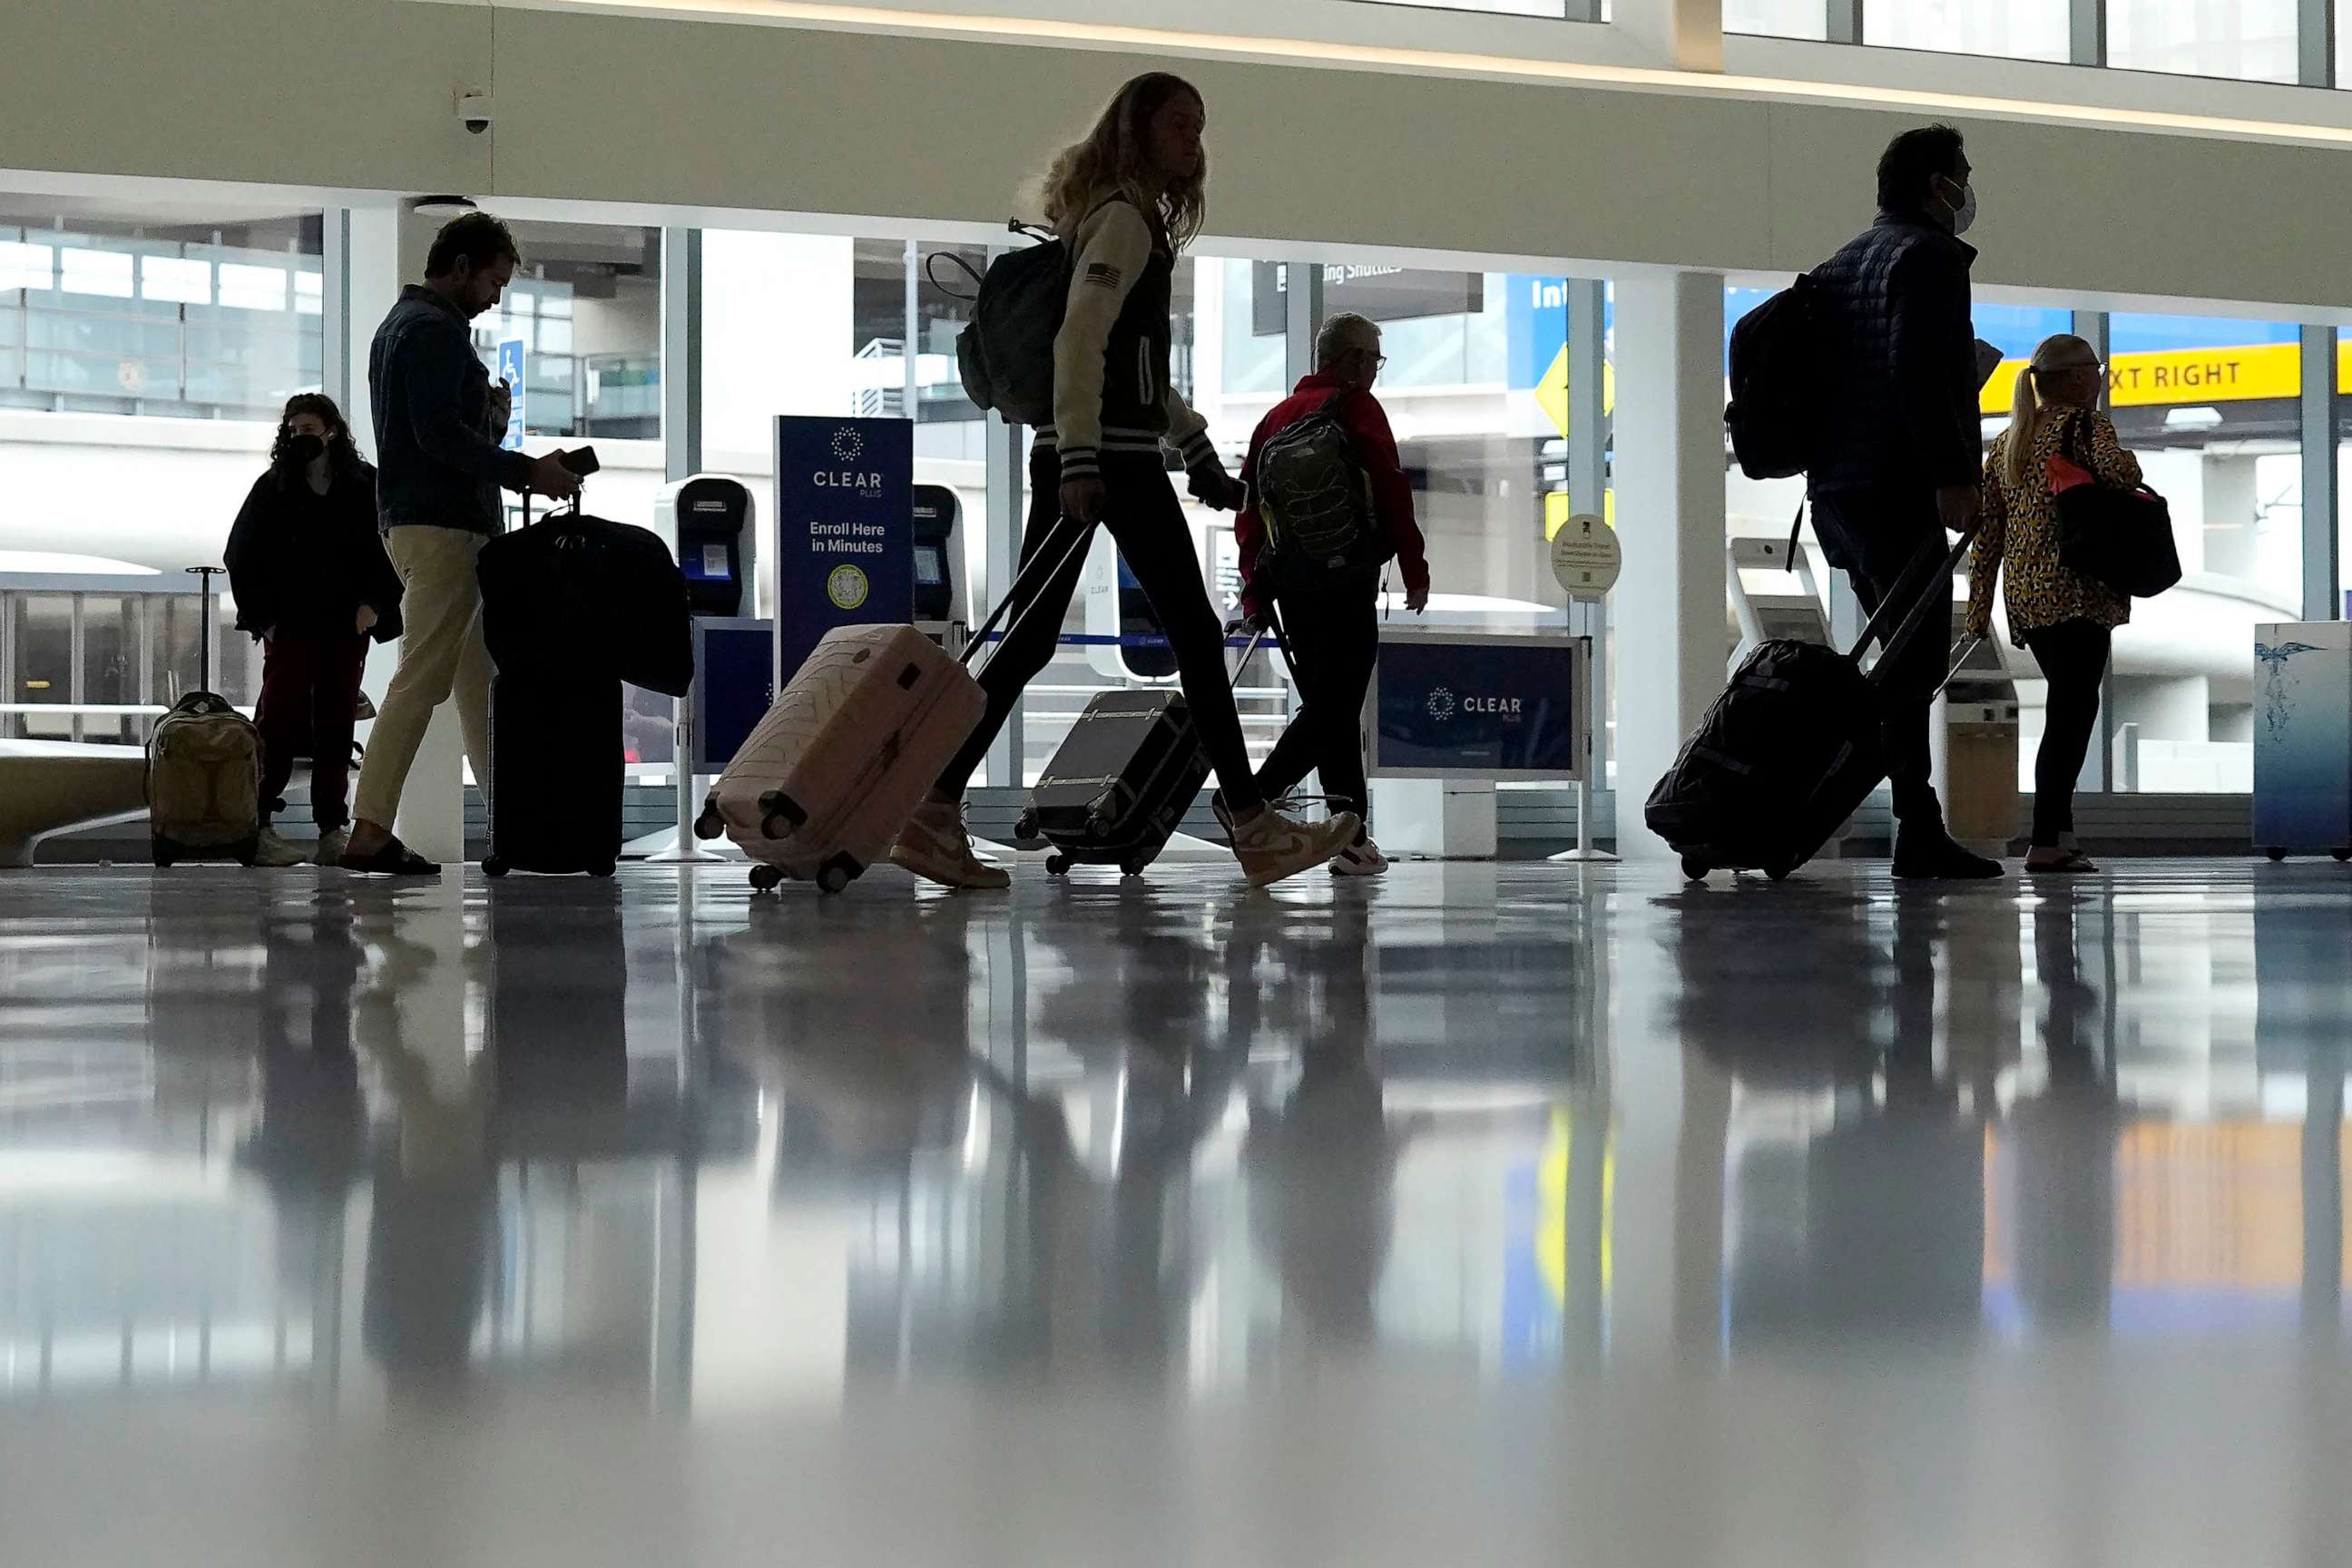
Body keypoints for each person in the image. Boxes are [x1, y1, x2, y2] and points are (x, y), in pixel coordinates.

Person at [887, 71, 1359, 889]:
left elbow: (1128, 366)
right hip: (1107, 462)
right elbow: (1080, 343)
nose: (1195, 143)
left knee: (1032, 638)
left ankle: (932, 809)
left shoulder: (1105, 219)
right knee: (1194, 636)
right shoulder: (1123, 221)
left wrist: (1196, 448)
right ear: (1137, 131)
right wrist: (1080, 459)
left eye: (1200, 128)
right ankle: (1252, 825)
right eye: (1180, 126)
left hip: (1100, 451)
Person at [338, 211, 582, 876]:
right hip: (446, 528)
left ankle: (516, 825)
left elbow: (434, 431)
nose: (496, 295)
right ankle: (370, 829)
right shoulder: (433, 333)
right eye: (494, 281)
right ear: (462, 266)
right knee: (422, 680)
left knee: (480, 684)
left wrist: (490, 420)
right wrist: (528, 469)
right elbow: (438, 437)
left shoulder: (399, 329)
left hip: (421, 522)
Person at [1808, 123, 2002, 881]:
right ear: (1937, 185)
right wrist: (1956, 475)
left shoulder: (1846, 260)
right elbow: (1918, 372)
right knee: (1912, 667)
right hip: (1897, 490)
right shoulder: (1927, 257)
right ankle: (1913, 826)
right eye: (1964, 174)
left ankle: (1906, 818)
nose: (1969, 188)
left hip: (1838, 491)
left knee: (1898, 663)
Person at [1232, 311, 1430, 877]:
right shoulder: (1356, 407)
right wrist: (1413, 566)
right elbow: (1391, 487)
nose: (1375, 369)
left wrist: (1253, 591)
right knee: (1337, 706)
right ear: (1351, 360)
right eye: (1374, 358)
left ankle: (1350, 838)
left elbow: (1251, 512)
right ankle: (1249, 801)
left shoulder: (1275, 418)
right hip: (1346, 582)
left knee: (1331, 707)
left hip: (1293, 587)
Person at [1967, 334, 2132, 873]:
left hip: (2027, 595)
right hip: (2077, 587)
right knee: (2073, 712)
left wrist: (1978, 609)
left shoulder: (2009, 441)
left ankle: (2056, 832)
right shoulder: (2086, 426)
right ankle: (2046, 838)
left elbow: (1987, 534)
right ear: (2077, 377)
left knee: (2068, 707)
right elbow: (2124, 476)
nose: (2100, 376)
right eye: (2096, 368)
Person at [224, 394, 403, 867]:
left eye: (311, 429)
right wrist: (265, 621)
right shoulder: (273, 488)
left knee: (336, 724)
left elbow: (391, 549)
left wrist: (375, 604)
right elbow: (240, 554)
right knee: (277, 720)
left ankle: (331, 827)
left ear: (332, 432)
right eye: (295, 430)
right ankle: (258, 825)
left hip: (346, 625)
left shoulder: (365, 487)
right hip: (291, 627)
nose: (303, 438)